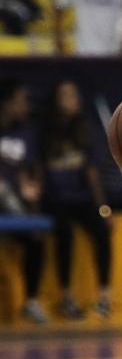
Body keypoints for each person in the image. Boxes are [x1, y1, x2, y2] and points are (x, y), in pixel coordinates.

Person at [39, 80, 113, 319]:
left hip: (81, 197)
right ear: (55, 100)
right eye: (65, 95)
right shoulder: (45, 133)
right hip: (55, 198)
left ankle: (104, 296)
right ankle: (66, 296)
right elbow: (38, 169)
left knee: (102, 231)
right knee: (64, 236)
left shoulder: (85, 130)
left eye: (74, 95)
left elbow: (92, 172)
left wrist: (102, 206)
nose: (72, 100)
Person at [0, 79, 47, 324]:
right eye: (21, 101)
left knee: (36, 237)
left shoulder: (26, 133)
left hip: (15, 205)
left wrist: (32, 190)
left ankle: (31, 300)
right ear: (6, 104)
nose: (25, 106)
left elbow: (32, 170)